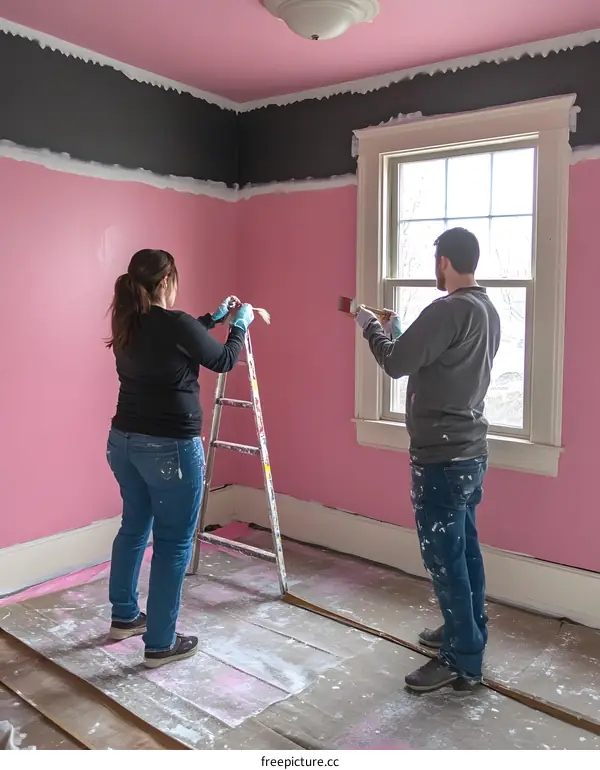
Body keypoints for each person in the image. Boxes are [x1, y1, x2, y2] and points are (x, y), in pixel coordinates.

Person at [355, 227, 501, 692]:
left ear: (444, 262)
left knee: (444, 559)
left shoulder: (447, 309)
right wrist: (400, 330)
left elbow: (396, 364)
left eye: (435, 261)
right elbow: (435, 361)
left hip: (441, 458)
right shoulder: (485, 309)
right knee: (465, 550)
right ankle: (468, 629)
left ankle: (462, 660)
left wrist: (369, 326)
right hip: (470, 453)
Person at [105, 248, 253, 668]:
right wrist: (239, 326)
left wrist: (214, 318)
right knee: (173, 544)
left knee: (134, 527)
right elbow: (222, 360)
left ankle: (124, 617)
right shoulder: (174, 324)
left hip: (124, 443)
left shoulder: (129, 321)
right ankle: (160, 644)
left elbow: (179, 340)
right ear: (167, 281)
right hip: (169, 447)